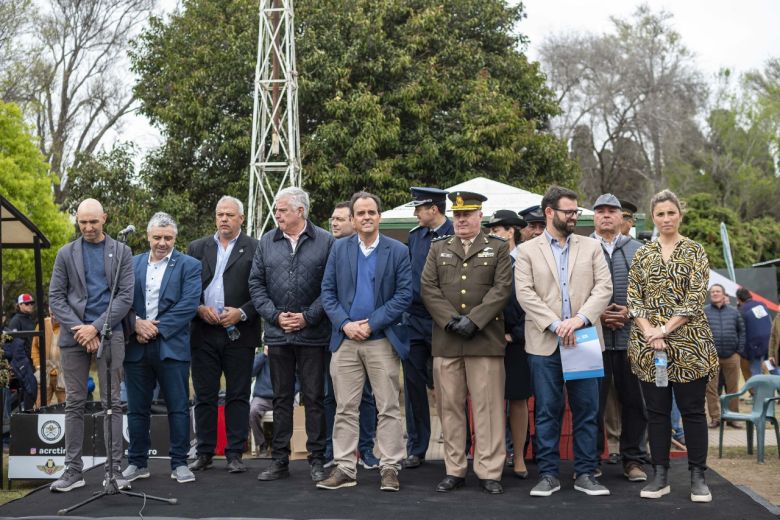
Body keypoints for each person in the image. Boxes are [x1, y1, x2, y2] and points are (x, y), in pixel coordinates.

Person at [515, 186, 613, 498]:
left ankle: (585, 473)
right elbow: (525, 294)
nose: (574, 217)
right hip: (545, 342)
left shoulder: (591, 247)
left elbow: (604, 288)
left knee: (587, 410)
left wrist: (580, 319)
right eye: (568, 212)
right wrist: (557, 324)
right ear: (549, 212)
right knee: (546, 410)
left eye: (575, 212)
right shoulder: (527, 251)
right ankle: (547, 475)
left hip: (583, 339)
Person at [627, 189, 718, 503]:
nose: (666, 219)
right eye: (660, 214)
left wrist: (664, 329)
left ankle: (698, 477)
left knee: (693, 412)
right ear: (653, 217)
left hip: (690, 346)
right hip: (649, 348)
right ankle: (660, 475)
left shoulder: (695, 251)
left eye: (671, 213)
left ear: (680, 214)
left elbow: (695, 298)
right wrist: (651, 332)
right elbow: (633, 299)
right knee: (657, 413)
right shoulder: (643, 253)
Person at [318, 191, 412, 492]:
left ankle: (389, 468)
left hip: (382, 339)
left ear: (379, 217)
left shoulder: (397, 251)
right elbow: (328, 293)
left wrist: (371, 323)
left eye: (372, 212)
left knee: (388, 407)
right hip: (345, 341)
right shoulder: (339, 249)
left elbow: (403, 296)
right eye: (361, 213)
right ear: (354, 219)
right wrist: (345, 324)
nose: (367, 217)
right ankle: (345, 468)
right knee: (345, 407)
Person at [421, 191, 512, 495]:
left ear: (480, 217)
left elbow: (502, 289)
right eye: (457, 215)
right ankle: (454, 469)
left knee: (487, 409)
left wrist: (474, 320)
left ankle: (489, 470)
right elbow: (428, 287)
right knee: (450, 408)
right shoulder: (438, 248)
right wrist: (450, 320)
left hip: (484, 340)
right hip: (447, 341)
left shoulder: (497, 247)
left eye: (467, 214)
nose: (461, 220)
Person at [48, 198, 134, 492]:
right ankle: (73, 471)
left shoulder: (121, 251)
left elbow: (125, 296)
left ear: (104, 219)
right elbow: (56, 298)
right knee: (74, 403)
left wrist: (96, 327)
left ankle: (115, 472)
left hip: (111, 334)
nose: (87, 227)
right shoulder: (65, 253)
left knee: (113, 404)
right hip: (74, 337)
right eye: (82, 222)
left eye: (93, 222)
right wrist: (81, 330)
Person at [250, 187, 334, 483]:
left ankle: (317, 459)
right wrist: (275, 316)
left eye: (283, 209)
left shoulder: (325, 241)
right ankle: (279, 460)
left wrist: (307, 317)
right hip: (278, 334)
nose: (277, 214)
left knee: (314, 397)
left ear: (301, 211)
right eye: (277, 209)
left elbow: (331, 286)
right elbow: (256, 284)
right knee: (281, 397)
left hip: (313, 335)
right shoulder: (266, 242)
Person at [122, 212, 202, 484]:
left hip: (172, 346)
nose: (162, 243)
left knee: (178, 407)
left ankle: (180, 462)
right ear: (148, 237)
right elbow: (122, 302)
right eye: (157, 237)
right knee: (136, 409)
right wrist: (136, 325)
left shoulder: (189, 265)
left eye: (168, 238)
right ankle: (137, 463)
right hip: (136, 347)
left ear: (175, 238)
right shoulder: (130, 264)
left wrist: (153, 328)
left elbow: (188, 305)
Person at [187, 196, 261, 474]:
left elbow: (263, 293)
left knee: (238, 395)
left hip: (239, 333)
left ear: (241, 218)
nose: (224, 219)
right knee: (204, 395)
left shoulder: (255, 248)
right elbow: (186, 287)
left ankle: (234, 453)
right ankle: (204, 451)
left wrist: (241, 313)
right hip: (203, 331)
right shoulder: (197, 248)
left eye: (230, 215)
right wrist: (197, 308)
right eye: (220, 214)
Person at [590, 194, 648, 483]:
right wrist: (596, 313)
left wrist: (630, 312)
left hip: (632, 338)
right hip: (593, 338)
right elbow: (571, 291)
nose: (606, 216)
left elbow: (654, 296)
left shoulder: (640, 250)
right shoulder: (580, 248)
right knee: (591, 403)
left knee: (635, 403)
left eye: (611, 211)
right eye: (600, 211)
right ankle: (590, 461)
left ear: (621, 216)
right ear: (594, 217)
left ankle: (633, 460)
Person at [323, 201, 379, 470]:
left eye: (341, 219)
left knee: (366, 396)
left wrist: (364, 324)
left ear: (353, 222)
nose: (335, 223)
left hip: (369, 334)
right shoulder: (330, 248)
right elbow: (326, 291)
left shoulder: (377, 250)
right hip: (334, 334)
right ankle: (335, 451)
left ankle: (367, 448)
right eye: (332, 219)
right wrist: (343, 323)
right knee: (333, 397)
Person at [402, 187, 454, 469]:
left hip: (443, 322)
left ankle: (456, 445)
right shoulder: (415, 237)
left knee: (449, 386)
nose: (415, 213)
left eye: (419, 208)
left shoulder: (455, 233)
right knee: (413, 386)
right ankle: (417, 447)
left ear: (433, 209)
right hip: (415, 320)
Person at [486, 209, 531, 479]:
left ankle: (520, 457)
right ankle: (495, 455)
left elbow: (536, 299)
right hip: (489, 340)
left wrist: (515, 334)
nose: (492, 234)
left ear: (511, 231)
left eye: (496, 230)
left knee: (517, 400)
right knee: (489, 402)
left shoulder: (526, 260)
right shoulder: (486, 260)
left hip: (517, 341)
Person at [703, 284, 745, 428]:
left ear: (723, 294)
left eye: (717, 291)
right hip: (711, 357)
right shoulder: (704, 312)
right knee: (711, 389)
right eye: (712, 291)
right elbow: (699, 333)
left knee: (733, 388)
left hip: (732, 356)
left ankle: (733, 418)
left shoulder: (734, 312)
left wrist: (738, 351)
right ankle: (715, 418)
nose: (714, 293)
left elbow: (742, 332)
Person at [30, 310, 66, 407]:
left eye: (57, 314)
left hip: (63, 373)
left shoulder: (68, 325)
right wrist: (38, 365)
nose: (54, 317)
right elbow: (35, 347)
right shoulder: (42, 324)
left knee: (65, 407)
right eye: (52, 314)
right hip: (44, 372)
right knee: (40, 406)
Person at [736, 287, 771, 378]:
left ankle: (759, 392)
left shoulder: (742, 310)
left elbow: (741, 331)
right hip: (769, 343)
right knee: (773, 368)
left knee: (756, 372)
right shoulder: (762, 305)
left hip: (755, 347)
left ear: (738, 299)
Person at [249, 347, 273, 457]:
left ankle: (280, 445)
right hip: (262, 397)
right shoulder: (261, 357)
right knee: (252, 411)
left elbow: (297, 379)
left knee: (286, 413)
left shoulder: (287, 353)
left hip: (282, 397)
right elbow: (252, 371)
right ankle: (262, 443)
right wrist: (264, 354)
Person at [7, 294, 36, 360]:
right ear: (20, 305)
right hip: (23, 359)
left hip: (33, 356)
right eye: (27, 303)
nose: (30, 305)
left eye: (31, 303)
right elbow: (13, 343)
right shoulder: (15, 321)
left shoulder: (30, 318)